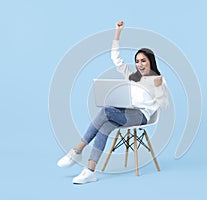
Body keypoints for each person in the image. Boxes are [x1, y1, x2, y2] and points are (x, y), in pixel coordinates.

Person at [57, 21, 169, 184]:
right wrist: (118, 32)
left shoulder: (158, 80)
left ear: (150, 61)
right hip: (126, 112)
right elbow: (115, 58)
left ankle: (77, 150)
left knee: (107, 110)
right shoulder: (132, 77)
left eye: (143, 61)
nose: (139, 64)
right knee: (105, 126)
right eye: (137, 61)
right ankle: (90, 171)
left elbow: (164, 106)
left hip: (141, 117)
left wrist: (158, 89)